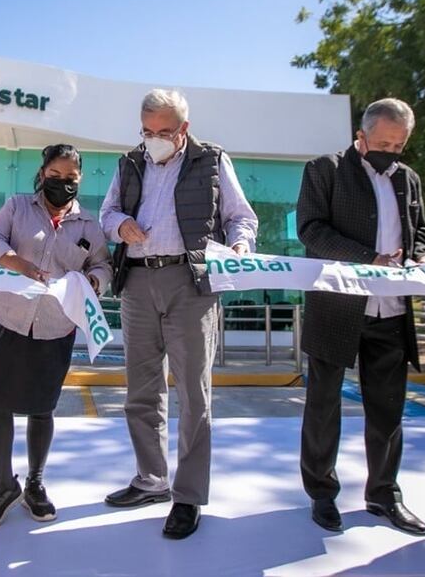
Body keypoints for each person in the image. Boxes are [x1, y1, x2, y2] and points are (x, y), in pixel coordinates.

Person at [99, 89, 258, 540]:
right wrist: (118, 226)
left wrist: (241, 245)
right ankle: (151, 479)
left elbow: (240, 217)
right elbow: (108, 211)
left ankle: (187, 497)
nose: (153, 140)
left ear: (183, 129)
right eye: (146, 131)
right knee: (141, 390)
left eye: (163, 132)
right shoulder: (130, 161)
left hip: (192, 284)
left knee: (193, 393)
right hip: (137, 281)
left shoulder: (211, 160)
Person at [296, 97, 425, 536]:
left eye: (398, 145)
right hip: (337, 309)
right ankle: (321, 494)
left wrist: (423, 259)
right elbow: (312, 230)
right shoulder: (325, 170)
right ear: (362, 134)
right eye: (383, 143)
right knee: (323, 406)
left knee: (388, 411)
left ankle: (384, 494)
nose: (390, 152)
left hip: (391, 312)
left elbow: (422, 234)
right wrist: (368, 259)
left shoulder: (408, 179)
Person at [0, 144, 112, 529]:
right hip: (10, 319)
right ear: (42, 172)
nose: (62, 185)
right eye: (55, 177)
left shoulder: (88, 225)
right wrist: (14, 260)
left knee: (41, 407)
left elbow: (103, 264)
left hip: (56, 326)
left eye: (71, 180)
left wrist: (95, 281)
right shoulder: (18, 207)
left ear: (79, 181)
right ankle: (4, 485)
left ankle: (34, 483)